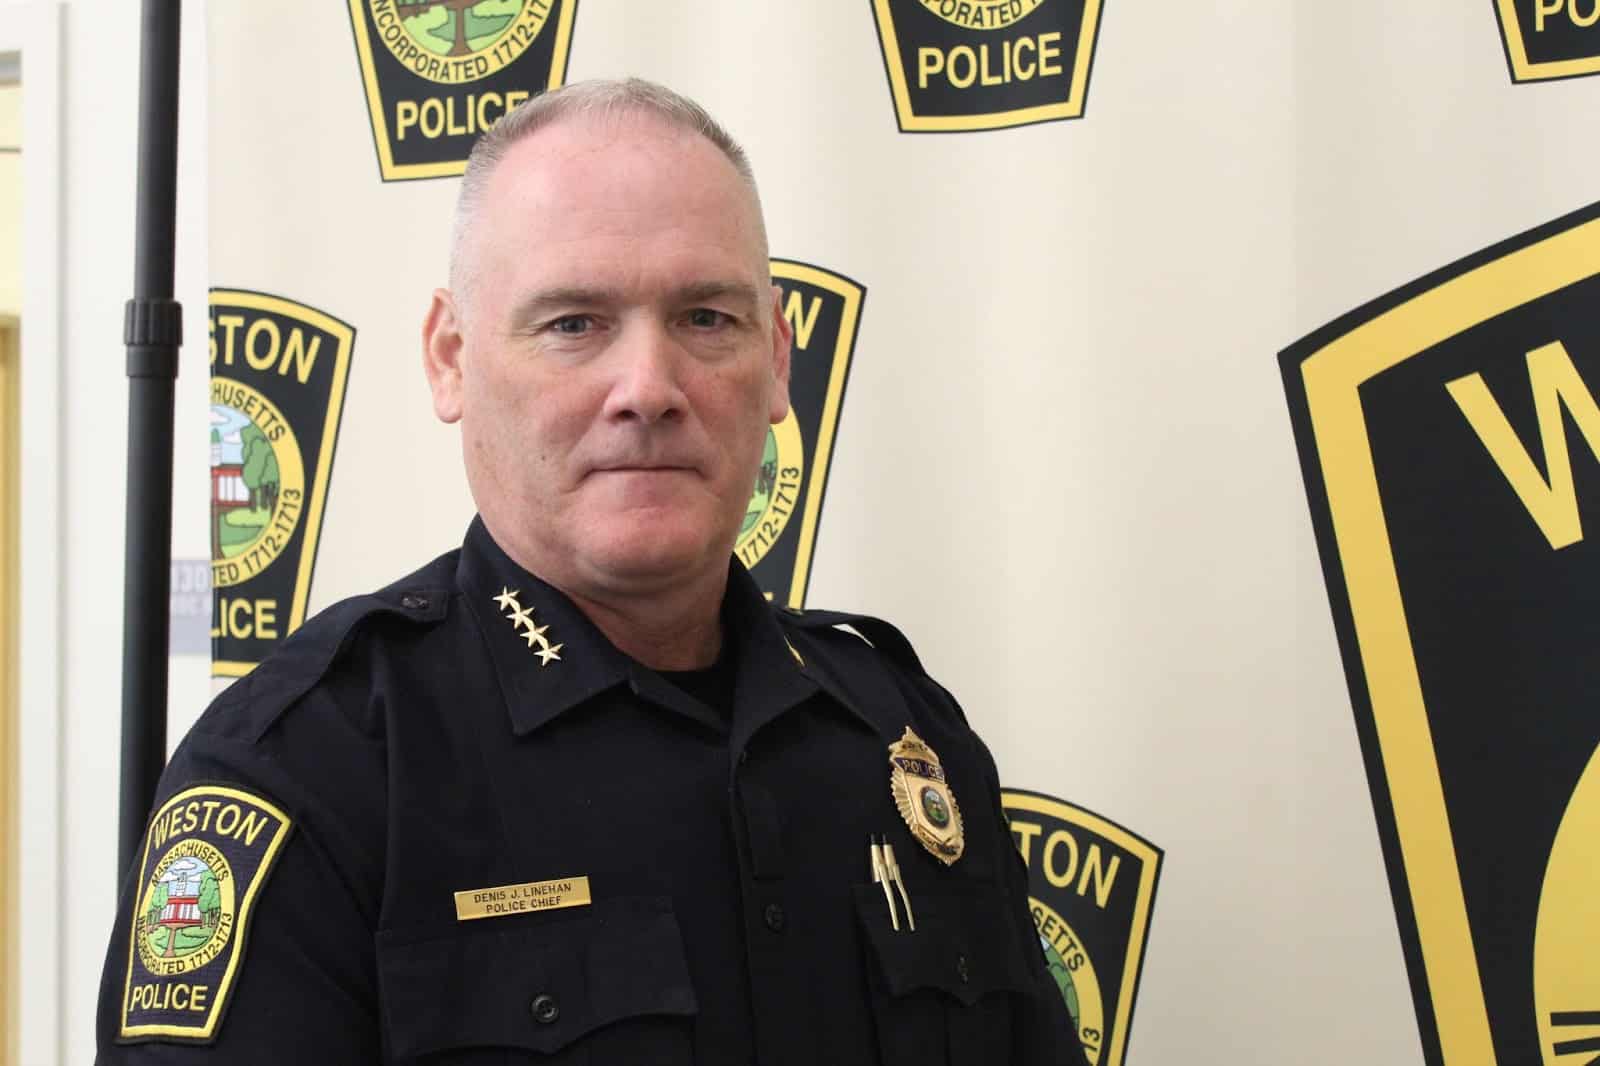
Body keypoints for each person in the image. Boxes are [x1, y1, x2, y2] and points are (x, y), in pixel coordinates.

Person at [95, 78, 1086, 1065]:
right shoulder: (313, 768)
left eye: (706, 318)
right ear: (451, 357)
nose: (648, 388)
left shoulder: (899, 735)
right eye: (573, 322)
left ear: (778, 359)